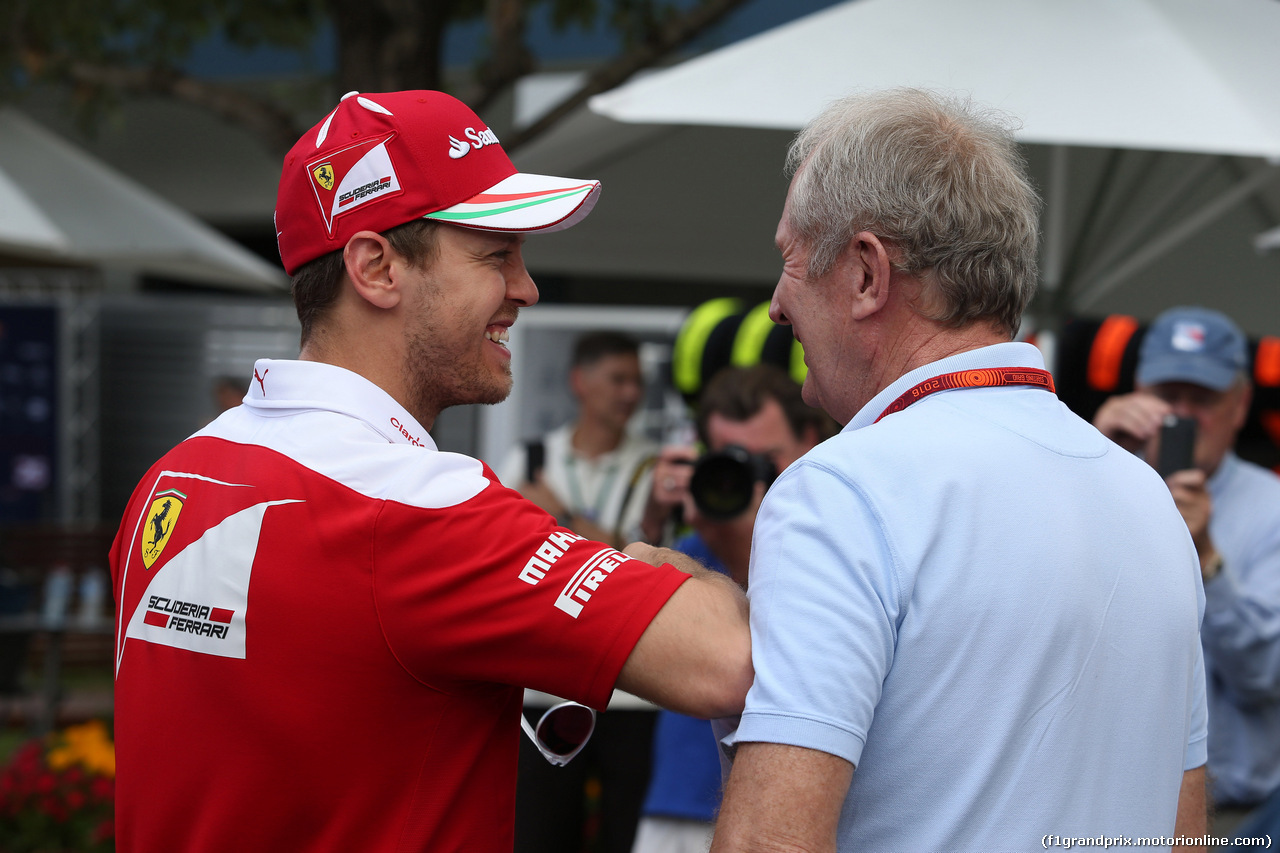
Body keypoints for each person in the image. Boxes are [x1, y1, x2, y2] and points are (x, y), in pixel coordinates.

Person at [108, 89, 751, 853]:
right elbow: (729, 659)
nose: (526, 287)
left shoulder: (172, 478)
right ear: (376, 268)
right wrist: (660, 565)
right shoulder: (416, 505)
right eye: (495, 254)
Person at [709, 88, 1207, 852]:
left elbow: (768, 843)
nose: (777, 302)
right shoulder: (1146, 498)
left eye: (791, 260)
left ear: (869, 274)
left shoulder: (842, 489)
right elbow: (1188, 832)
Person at [1093, 305, 1280, 835]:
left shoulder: (1272, 510)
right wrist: (1085, 451)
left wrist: (1206, 558)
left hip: (1237, 820)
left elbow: (1266, 675)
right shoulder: (1100, 482)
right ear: (1135, 392)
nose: (1181, 415)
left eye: (1202, 400)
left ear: (1241, 405)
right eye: (1167, 397)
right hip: (1108, 810)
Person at [632, 364, 827, 853]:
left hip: (777, 811)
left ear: (809, 441)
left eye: (763, 462)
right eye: (727, 463)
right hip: (676, 804)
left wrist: (748, 538)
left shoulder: (833, 542)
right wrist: (651, 527)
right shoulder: (691, 545)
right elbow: (604, 607)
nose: (744, 480)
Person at [498, 330, 663, 853]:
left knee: (623, 836)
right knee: (540, 835)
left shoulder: (656, 468)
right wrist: (609, 543)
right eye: (617, 379)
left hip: (632, 695)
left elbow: (647, 569)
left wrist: (558, 518)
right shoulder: (525, 459)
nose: (630, 393)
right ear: (580, 383)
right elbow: (511, 566)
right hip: (544, 689)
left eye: (636, 381)